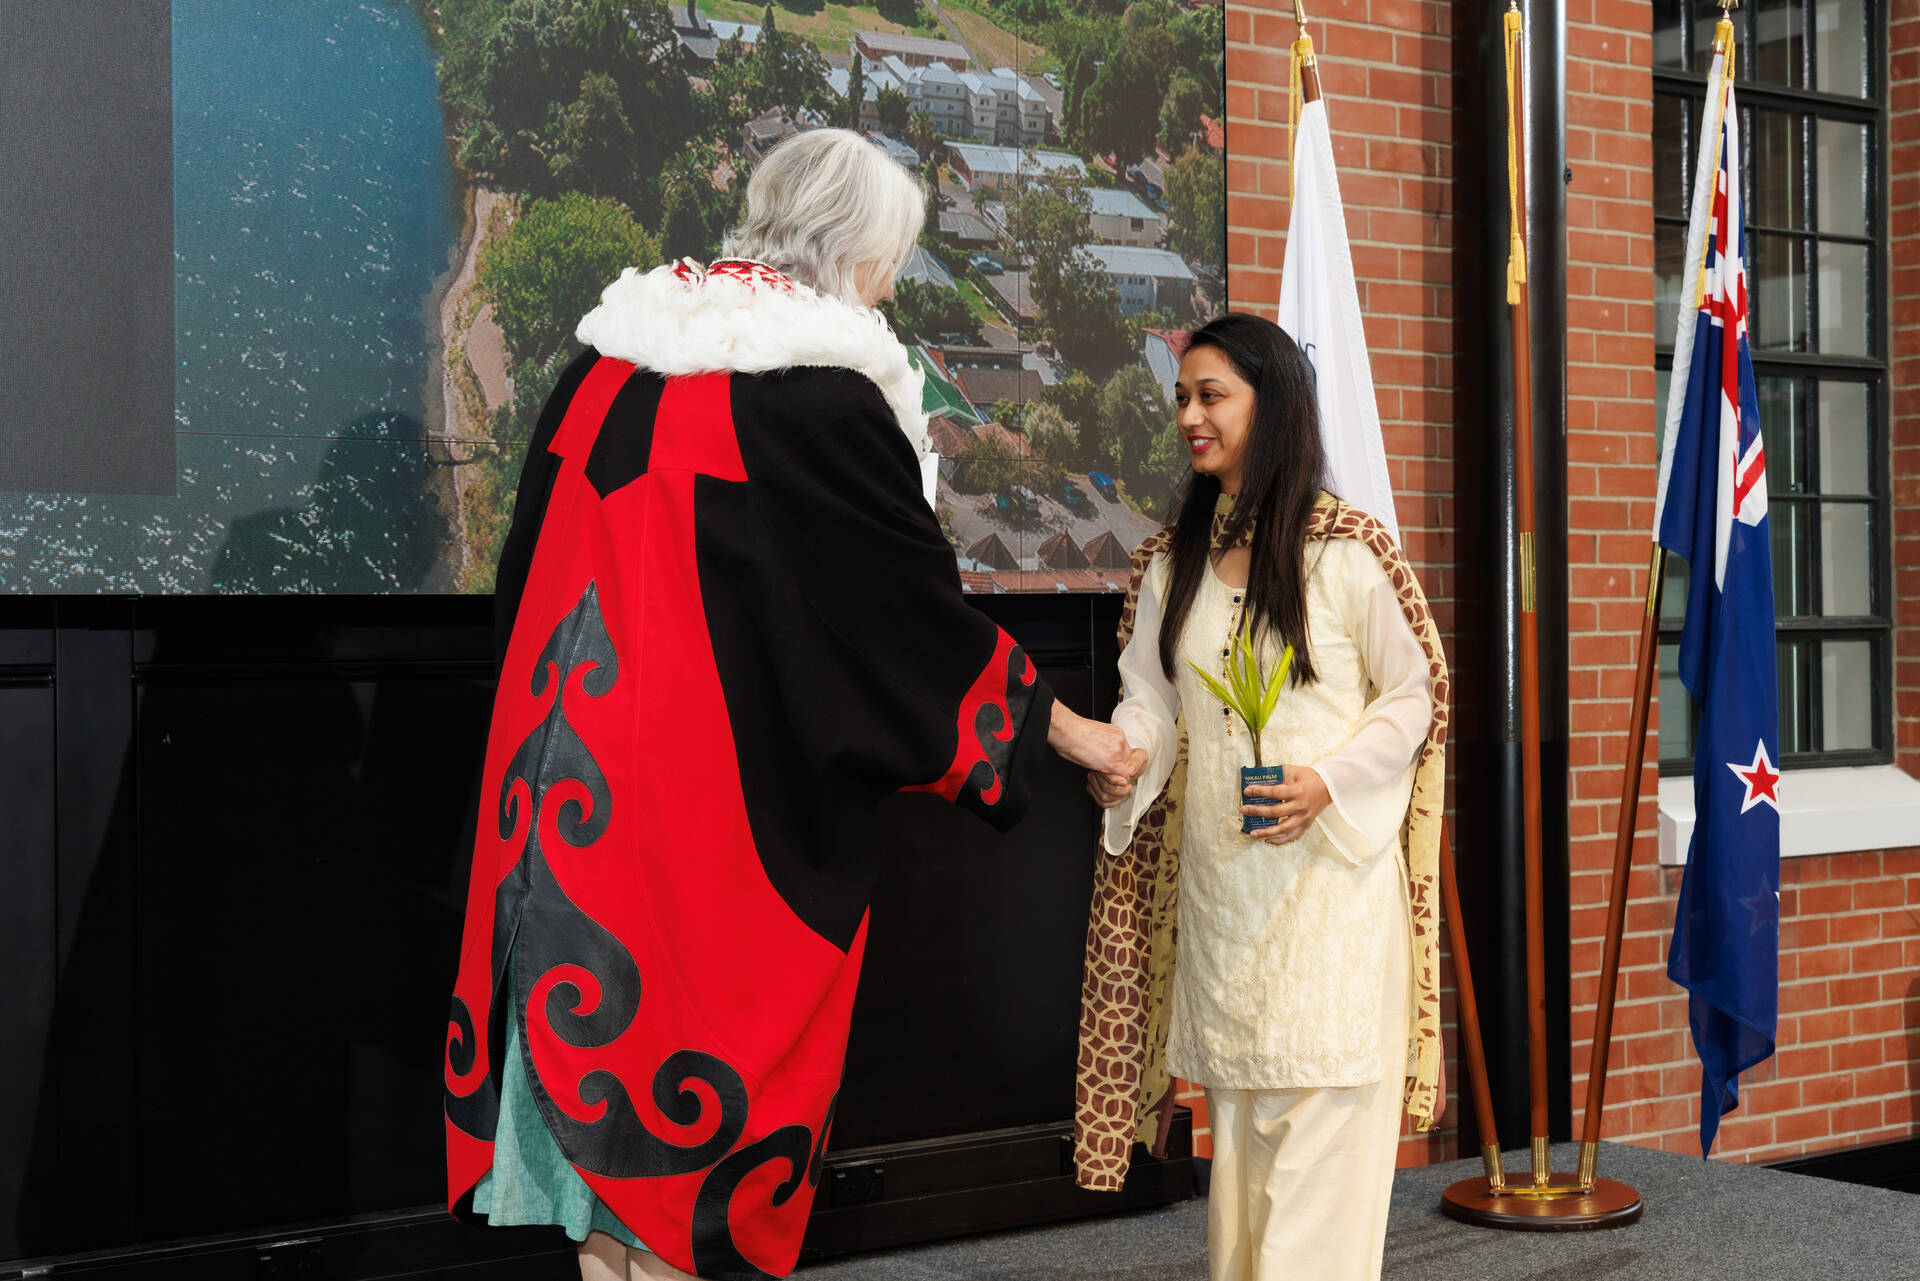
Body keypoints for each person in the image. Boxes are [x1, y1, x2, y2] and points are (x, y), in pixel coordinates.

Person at [442, 129, 1135, 1281]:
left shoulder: (603, 369)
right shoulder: (816, 402)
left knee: (599, 1160)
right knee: (685, 1158)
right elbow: (906, 623)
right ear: (862, 258)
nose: (891, 290)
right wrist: (1064, 732)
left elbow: (522, 589)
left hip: (556, 805)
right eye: (892, 264)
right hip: (703, 824)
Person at [1072, 314, 1451, 1281]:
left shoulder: (1345, 551)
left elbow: (1413, 697)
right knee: (1240, 1212)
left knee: (1310, 1226)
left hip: (1330, 916)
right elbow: (1155, 697)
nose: (1189, 417)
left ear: (1271, 404)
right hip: (1227, 915)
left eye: (1212, 396)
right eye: (1182, 398)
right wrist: (1127, 753)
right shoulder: (1173, 561)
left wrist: (1328, 781)